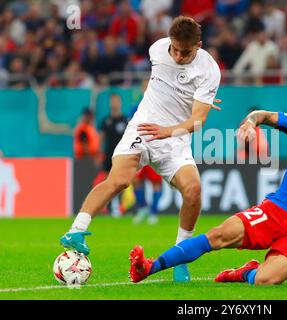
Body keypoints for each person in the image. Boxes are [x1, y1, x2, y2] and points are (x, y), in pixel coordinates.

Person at [128, 100, 287, 285]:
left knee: (266, 280)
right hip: (275, 211)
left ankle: (246, 272)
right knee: (218, 235)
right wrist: (250, 123)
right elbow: (263, 114)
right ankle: (149, 267)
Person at [60, 16, 221, 283]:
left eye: (187, 52)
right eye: (176, 49)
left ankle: (181, 256)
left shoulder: (209, 69)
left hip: (174, 139)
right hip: (143, 130)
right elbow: (168, 82)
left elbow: (198, 120)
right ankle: (76, 230)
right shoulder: (157, 49)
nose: (179, 56)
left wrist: (177, 122)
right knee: (119, 180)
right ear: (169, 42)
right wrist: (193, 98)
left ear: (199, 46)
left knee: (193, 190)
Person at [129, 79, 163, 225]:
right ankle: (143, 208)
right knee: (135, 180)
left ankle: (153, 212)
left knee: (156, 183)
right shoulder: (135, 109)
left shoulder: (160, 108)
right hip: (139, 150)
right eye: (144, 87)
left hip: (155, 150)